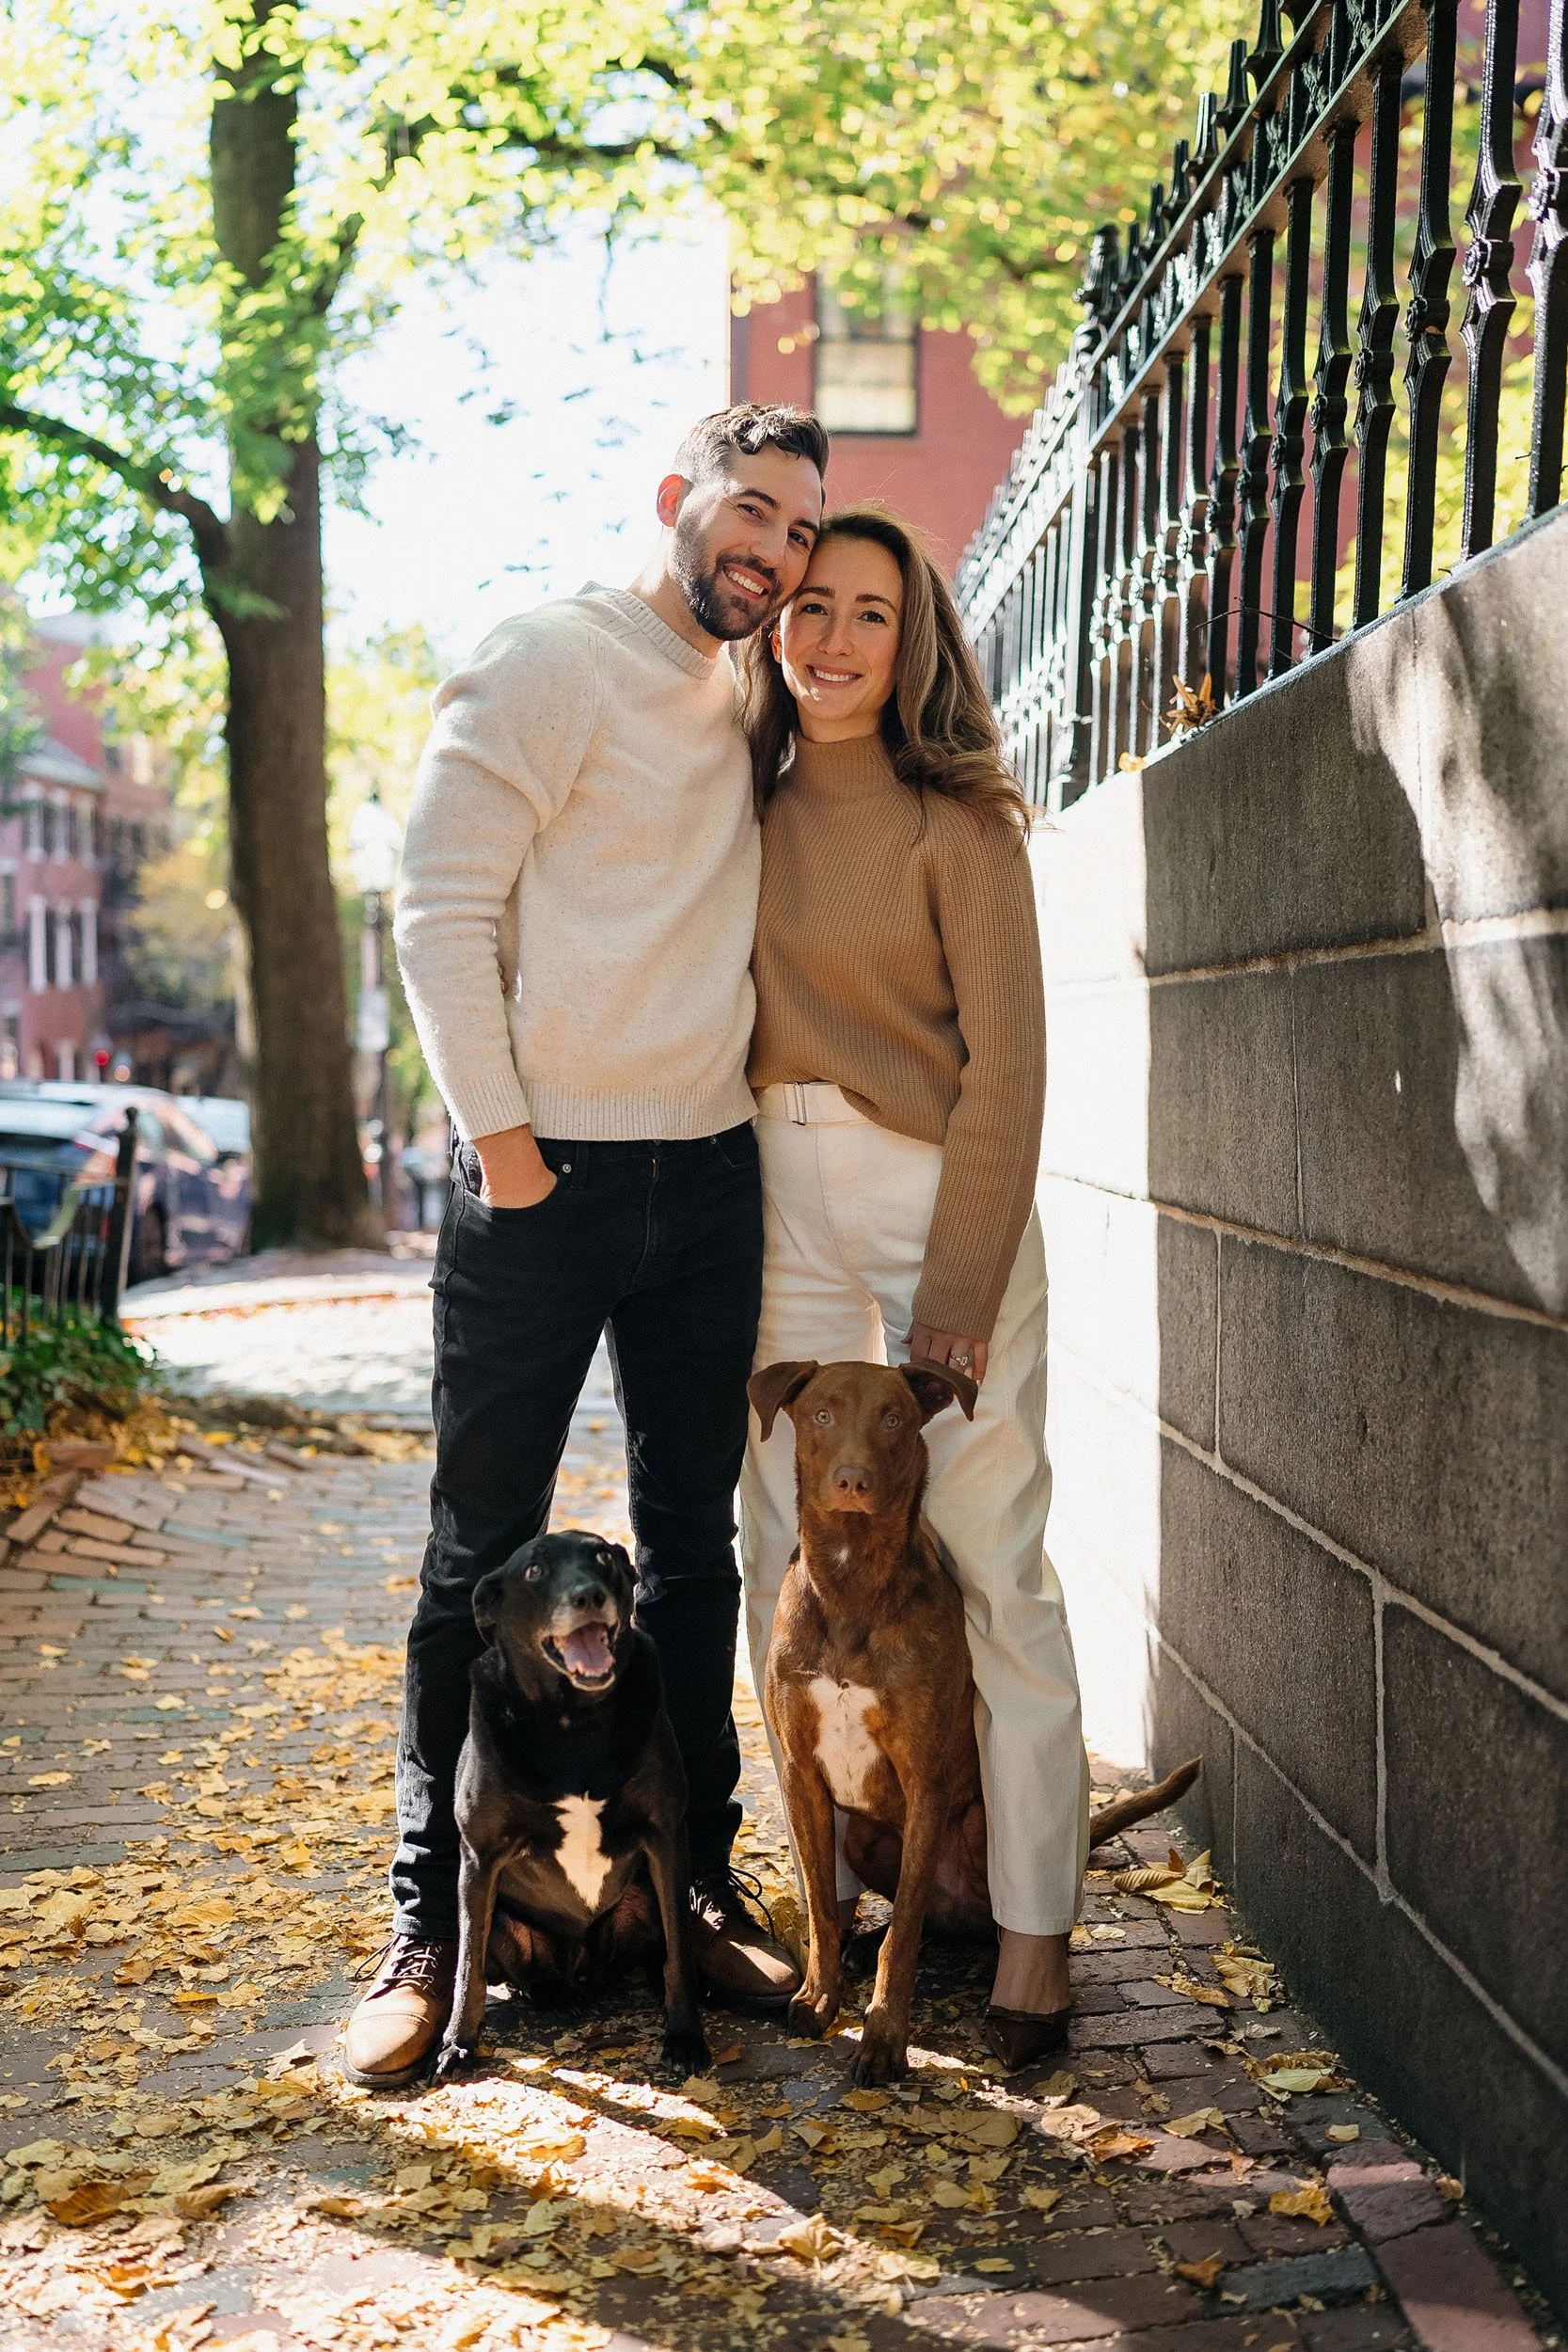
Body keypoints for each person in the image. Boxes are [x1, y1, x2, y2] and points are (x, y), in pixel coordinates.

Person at [342, 405, 829, 2090]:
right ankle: (423, 1921)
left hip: (705, 1179)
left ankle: (691, 1885)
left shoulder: (748, 688)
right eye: (747, 512)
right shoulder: (547, 658)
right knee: (472, 1555)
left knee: (693, 1546)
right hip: (537, 1186)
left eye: (795, 535)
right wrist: (506, 1150)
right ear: (677, 499)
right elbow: (437, 908)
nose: (767, 553)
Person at [737, 506, 1090, 2068]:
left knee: (992, 1556)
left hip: (935, 1187)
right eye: (811, 605)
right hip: (775, 1194)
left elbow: (1008, 1067)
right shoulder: (733, 800)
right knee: (784, 1553)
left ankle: (1030, 1928)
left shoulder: (961, 822)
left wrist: (954, 1289)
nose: (832, 639)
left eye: (871, 613)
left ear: (915, 640)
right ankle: (830, 1907)